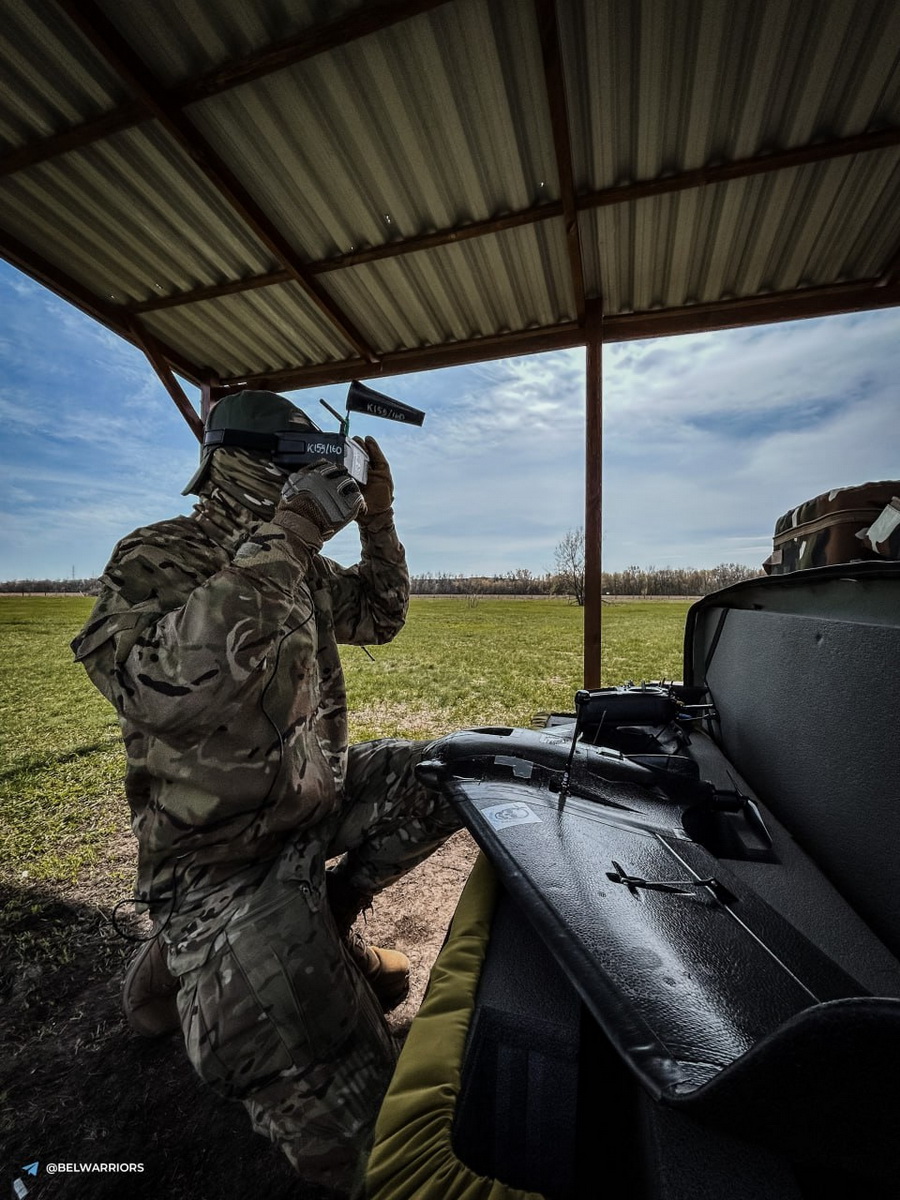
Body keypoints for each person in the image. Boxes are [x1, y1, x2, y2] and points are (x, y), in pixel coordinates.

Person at [71, 390, 462, 1198]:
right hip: (219, 860)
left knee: (444, 775)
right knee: (363, 1116)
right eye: (302, 462)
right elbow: (162, 690)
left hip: (310, 805)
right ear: (241, 463)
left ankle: (323, 912)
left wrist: (380, 520)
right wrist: (285, 535)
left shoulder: (305, 562)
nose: (320, 480)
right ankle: (200, 953)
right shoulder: (155, 555)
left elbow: (381, 615)